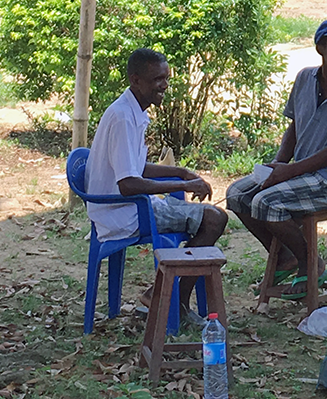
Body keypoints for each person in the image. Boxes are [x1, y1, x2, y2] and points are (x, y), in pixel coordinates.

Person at [226, 18, 327, 298]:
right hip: (301, 173)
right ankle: (285, 256)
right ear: (320, 48)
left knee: (266, 202)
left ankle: (311, 262)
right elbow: (294, 127)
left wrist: (288, 172)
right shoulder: (306, 78)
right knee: (237, 194)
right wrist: (278, 164)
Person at [86, 48, 229, 326]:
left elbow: (136, 167)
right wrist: (181, 183)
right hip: (123, 211)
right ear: (135, 80)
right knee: (214, 219)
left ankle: (165, 295)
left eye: (165, 78)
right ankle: (170, 301)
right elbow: (128, 184)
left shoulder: (132, 111)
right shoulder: (124, 117)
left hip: (129, 206)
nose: (163, 85)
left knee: (209, 218)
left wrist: (181, 172)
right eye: (156, 80)